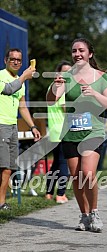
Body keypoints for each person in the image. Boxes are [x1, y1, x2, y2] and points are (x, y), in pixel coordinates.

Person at [46, 38, 107, 232]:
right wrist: (54, 86)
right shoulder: (67, 76)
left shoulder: (101, 77)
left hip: (93, 131)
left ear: (90, 54)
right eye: (74, 50)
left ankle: (94, 212)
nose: (77, 54)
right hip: (71, 132)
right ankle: (84, 216)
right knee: (76, 178)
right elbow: (52, 101)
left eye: (81, 50)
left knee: (88, 174)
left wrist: (95, 93)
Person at [0, 48, 41, 210]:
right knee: (2, 167)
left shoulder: (20, 81)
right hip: (1, 125)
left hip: (12, 126)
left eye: (19, 60)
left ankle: (2, 203)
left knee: (9, 168)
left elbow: (22, 106)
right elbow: (8, 89)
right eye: (12, 59)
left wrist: (33, 126)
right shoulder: (1, 76)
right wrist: (24, 76)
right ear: (6, 61)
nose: (16, 62)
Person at [45, 60, 72, 203]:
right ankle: (61, 194)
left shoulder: (52, 86)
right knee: (63, 163)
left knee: (56, 163)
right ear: (58, 73)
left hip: (54, 130)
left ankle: (48, 192)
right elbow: (66, 109)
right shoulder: (62, 87)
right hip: (63, 130)